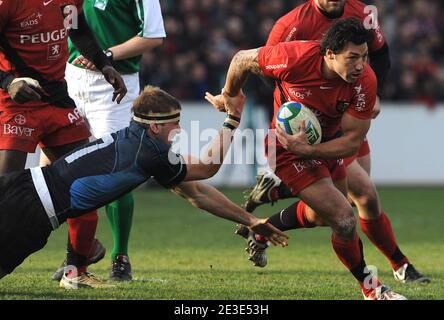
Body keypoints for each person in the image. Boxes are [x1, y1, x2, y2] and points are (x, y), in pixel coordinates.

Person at [0, 85, 288, 284]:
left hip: (20, 184)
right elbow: (207, 168)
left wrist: (250, 220)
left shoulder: (133, 141)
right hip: (31, 214)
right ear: (154, 126)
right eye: (174, 123)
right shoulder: (150, 155)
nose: (178, 130)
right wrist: (232, 118)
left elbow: (197, 193)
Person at [206, 18, 407, 300]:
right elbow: (241, 60)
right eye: (353, 58)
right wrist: (229, 95)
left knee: (324, 216)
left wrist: (310, 151)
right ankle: (372, 290)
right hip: (284, 147)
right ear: (330, 54)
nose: (361, 65)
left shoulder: (365, 81)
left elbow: (352, 141)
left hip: (325, 145)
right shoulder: (294, 58)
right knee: (345, 220)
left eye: (364, 56)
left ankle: (262, 230)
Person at [240, 0, 429, 284]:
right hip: (315, 125)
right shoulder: (291, 25)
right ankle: (397, 268)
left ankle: (276, 199)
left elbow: (381, 54)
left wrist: (372, 95)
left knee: (348, 204)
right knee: (358, 198)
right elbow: (267, 71)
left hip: (347, 116)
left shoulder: (363, 13)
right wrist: (300, 108)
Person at [0, 0, 127, 287]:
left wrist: (104, 64)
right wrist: (8, 82)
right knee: (7, 193)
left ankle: (76, 270)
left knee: (87, 185)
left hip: (58, 100)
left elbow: (78, 31)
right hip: (17, 102)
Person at [46, 0, 167, 284]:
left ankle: (120, 257)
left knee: (117, 171)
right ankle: (79, 252)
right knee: (58, 170)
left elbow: (153, 35)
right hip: (70, 78)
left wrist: (107, 55)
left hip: (114, 86)